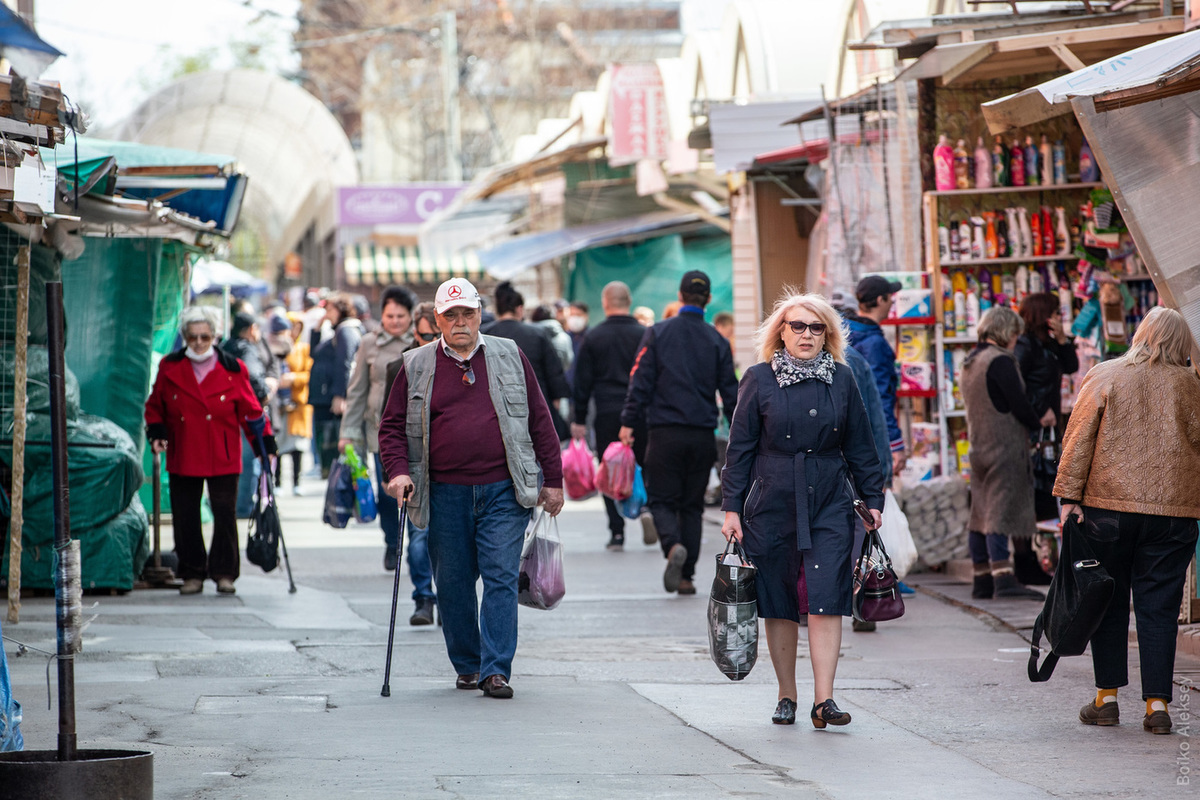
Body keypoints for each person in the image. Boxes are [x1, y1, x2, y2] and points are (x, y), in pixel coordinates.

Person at [378, 278, 565, 699]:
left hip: (504, 489)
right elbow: (390, 428)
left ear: (480, 313)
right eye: (451, 315)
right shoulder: (416, 364)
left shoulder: (509, 354)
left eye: (468, 313)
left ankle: (496, 669)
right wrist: (398, 472)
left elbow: (540, 419)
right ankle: (468, 663)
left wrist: (553, 481)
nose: (460, 322)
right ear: (437, 319)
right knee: (455, 581)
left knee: (500, 576)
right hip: (444, 491)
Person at [720, 292, 884, 728]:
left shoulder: (843, 380)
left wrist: (873, 500)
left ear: (827, 334)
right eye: (797, 326)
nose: (807, 335)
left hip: (830, 499)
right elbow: (738, 451)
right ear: (782, 332)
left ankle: (824, 700)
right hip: (771, 500)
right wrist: (731, 508)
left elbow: (862, 446)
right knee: (779, 600)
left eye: (816, 328)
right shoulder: (758, 378)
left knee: (827, 597)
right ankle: (786, 694)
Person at [1055, 307, 1200, 736]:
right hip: (1173, 515)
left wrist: (1069, 497)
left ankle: (1107, 699)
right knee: (1159, 609)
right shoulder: (1193, 386)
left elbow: (1079, 436)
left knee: (1109, 601)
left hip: (1107, 510)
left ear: (1141, 334)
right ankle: (1157, 705)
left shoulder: (1107, 374)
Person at [619, 270, 738, 595]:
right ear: (709, 299)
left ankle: (672, 547)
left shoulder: (658, 333)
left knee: (661, 499)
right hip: (702, 435)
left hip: (664, 432)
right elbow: (731, 393)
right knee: (691, 506)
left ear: (680, 296)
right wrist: (743, 433)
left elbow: (639, 380)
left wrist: (628, 422)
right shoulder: (717, 340)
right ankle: (686, 577)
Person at [145, 306, 274, 596]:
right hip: (184, 451)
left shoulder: (233, 368)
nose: (200, 343)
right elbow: (155, 406)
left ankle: (225, 573)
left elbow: (252, 412)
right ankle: (191, 573)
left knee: (225, 514)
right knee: (186, 515)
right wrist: (157, 432)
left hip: (223, 452)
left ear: (215, 336)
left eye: (205, 336)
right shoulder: (170, 366)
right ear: (185, 337)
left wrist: (265, 447)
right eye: (193, 337)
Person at [961, 307, 1054, 601]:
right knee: (999, 513)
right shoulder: (1000, 360)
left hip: (979, 446)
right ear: (1005, 333)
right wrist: (1039, 420)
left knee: (979, 514)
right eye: (1015, 334)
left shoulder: (970, 360)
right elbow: (1019, 403)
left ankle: (982, 578)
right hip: (1004, 446)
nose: (1016, 340)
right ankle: (1003, 578)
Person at [339, 286, 417, 573]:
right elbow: (357, 390)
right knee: (387, 492)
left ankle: (416, 545)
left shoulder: (422, 342)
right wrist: (348, 431)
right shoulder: (369, 344)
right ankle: (392, 541)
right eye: (389, 315)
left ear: (411, 316)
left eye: (401, 315)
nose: (395, 321)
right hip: (379, 431)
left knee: (416, 491)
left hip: (416, 430)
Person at [571, 281, 652, 551]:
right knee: (643, 464)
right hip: (641, 412)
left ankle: (617, 532)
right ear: (629, 301)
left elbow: (582, 383)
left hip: (606, 412)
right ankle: (646, 509)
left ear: (605, 303)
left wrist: (579, 419)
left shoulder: (593, 337)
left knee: (608, 470)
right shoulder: (645, 334)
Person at [1016, 292, 1079, 523]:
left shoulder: (1049, 343)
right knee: (1037, 479)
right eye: (1055, 313)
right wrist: (1040, 409)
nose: (1059, 317)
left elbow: (1071, 366)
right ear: (1043, 316)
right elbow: (1017, 383)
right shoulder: (1025, 345)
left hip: (1048, 425)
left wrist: (1063, 340)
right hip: (1034, 425)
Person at [482, 282, 571, 441]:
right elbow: (555, 377)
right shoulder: (537, 334)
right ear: (519, 309)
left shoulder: (484, 335)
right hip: (534, 411)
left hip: (494, 414)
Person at [846, 276, 907, 474]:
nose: (892, 302)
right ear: (881, 300)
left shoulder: (845, 334)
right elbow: (880, 399)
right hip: (869, 437)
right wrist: (894, 444)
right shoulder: (873, 344)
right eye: (890, 297)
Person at [221, 312, 275, 518]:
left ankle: (235, 504)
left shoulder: (226, 346)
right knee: (248, 461)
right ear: (252, 329)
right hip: (244, 413)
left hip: (226, 412)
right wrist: (264, 393)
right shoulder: (247, 349)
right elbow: (252, 375)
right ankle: (242, 507)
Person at [309, 294, 362, 477]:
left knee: (333, 440)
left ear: (340, 310)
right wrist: (318, 325)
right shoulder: (337, 330)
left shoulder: (346, 330)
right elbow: (314, 353)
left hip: (331, 396)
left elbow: (344, 363)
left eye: (330, 309)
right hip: (324, 395)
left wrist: (340, 395)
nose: (327, 313)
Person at [277, 313, 312, 496]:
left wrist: (294, 378)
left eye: (297, 328)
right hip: (279, 404)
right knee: (278, 444)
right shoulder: (275, 347)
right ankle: (277, 482)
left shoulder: (304, 349)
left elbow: (309, 373)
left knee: (297, 445)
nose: (293, 331)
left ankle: (297, 482)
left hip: (298, 403)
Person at [530, 304, 574, 372]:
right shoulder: (564, 337)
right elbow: (568, 362)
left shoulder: (529, 335)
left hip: (535, 379)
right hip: (557, 379)